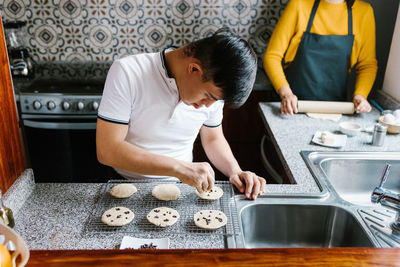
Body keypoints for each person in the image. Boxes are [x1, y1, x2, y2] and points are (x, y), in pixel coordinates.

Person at [96, 28, 266, 200]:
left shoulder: (214, 88)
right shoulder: (128, 72)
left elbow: (213, 139)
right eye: (208, 96)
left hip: (180, 188)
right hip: (123, 184)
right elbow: (108, 150)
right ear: (193, 69)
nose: (207, 106)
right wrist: (179, 168)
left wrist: (235, 171)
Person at [263, 0, 378, 115]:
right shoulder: (299, 4)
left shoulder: (364, 11)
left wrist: (360, 95)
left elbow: (367, 64)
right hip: (291, 107)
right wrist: (286, 94)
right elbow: (272, 56)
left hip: (334, 110)